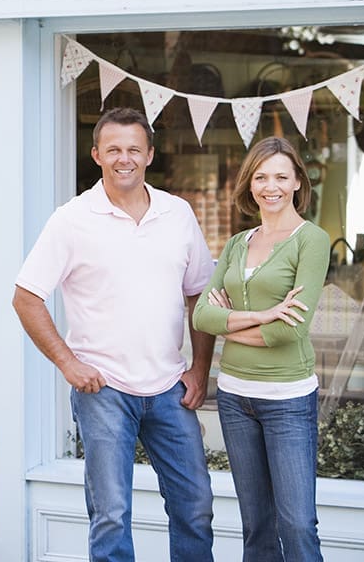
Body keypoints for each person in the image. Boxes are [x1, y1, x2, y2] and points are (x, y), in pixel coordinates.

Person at [12, 107, 216, 562]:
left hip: (169, 388)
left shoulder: (177, 213)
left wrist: (199, 369)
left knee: (196, 506)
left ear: (149, 155)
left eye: (133, 150)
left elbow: (199, 297)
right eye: (114, 150)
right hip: (103, 390)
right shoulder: (71, 219)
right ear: (96, 155)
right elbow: (26, 297)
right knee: (111, 513)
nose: (124, 159)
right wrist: (69, 363)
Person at [192, 136, 330, 562]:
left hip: (287, 399)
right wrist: (265, 315)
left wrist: (230, 325)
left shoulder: (312, 240)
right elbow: (201, 317)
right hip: (234, 397)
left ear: (296, 183)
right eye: (261, 176)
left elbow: (290, 332)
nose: (270, 186)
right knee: (256, 525)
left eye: (281, 177)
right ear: (250, 183)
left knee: (297, 524)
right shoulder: (237, 243)